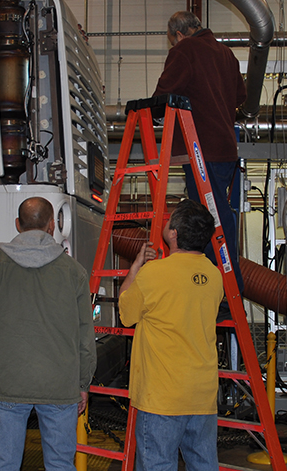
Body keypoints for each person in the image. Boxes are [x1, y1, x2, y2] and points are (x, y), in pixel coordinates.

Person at [0, 196, 96, 471]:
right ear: (50, 227)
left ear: (17, 225)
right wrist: (82, 383)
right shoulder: (74, 271)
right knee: (60, 464)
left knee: (5, 463)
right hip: (59, 382)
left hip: (9, 381)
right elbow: (85, 334)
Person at [118, 199, 225, 471]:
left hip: (161, 398)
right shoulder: (213, 275)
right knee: (203, 464)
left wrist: (136, 266)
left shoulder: (154, 273)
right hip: (202, 396)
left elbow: (126, 313)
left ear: (174, 234)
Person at [153, 10, 247, 296]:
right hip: (226, 149)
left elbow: (164, 93)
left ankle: (225, 291)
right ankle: (222, 287)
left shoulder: (185, 50)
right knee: (217, 215)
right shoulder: (226, 54)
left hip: (200, 149)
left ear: (178, 35)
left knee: (210, 220)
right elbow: (241, 97)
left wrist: (155, 111)